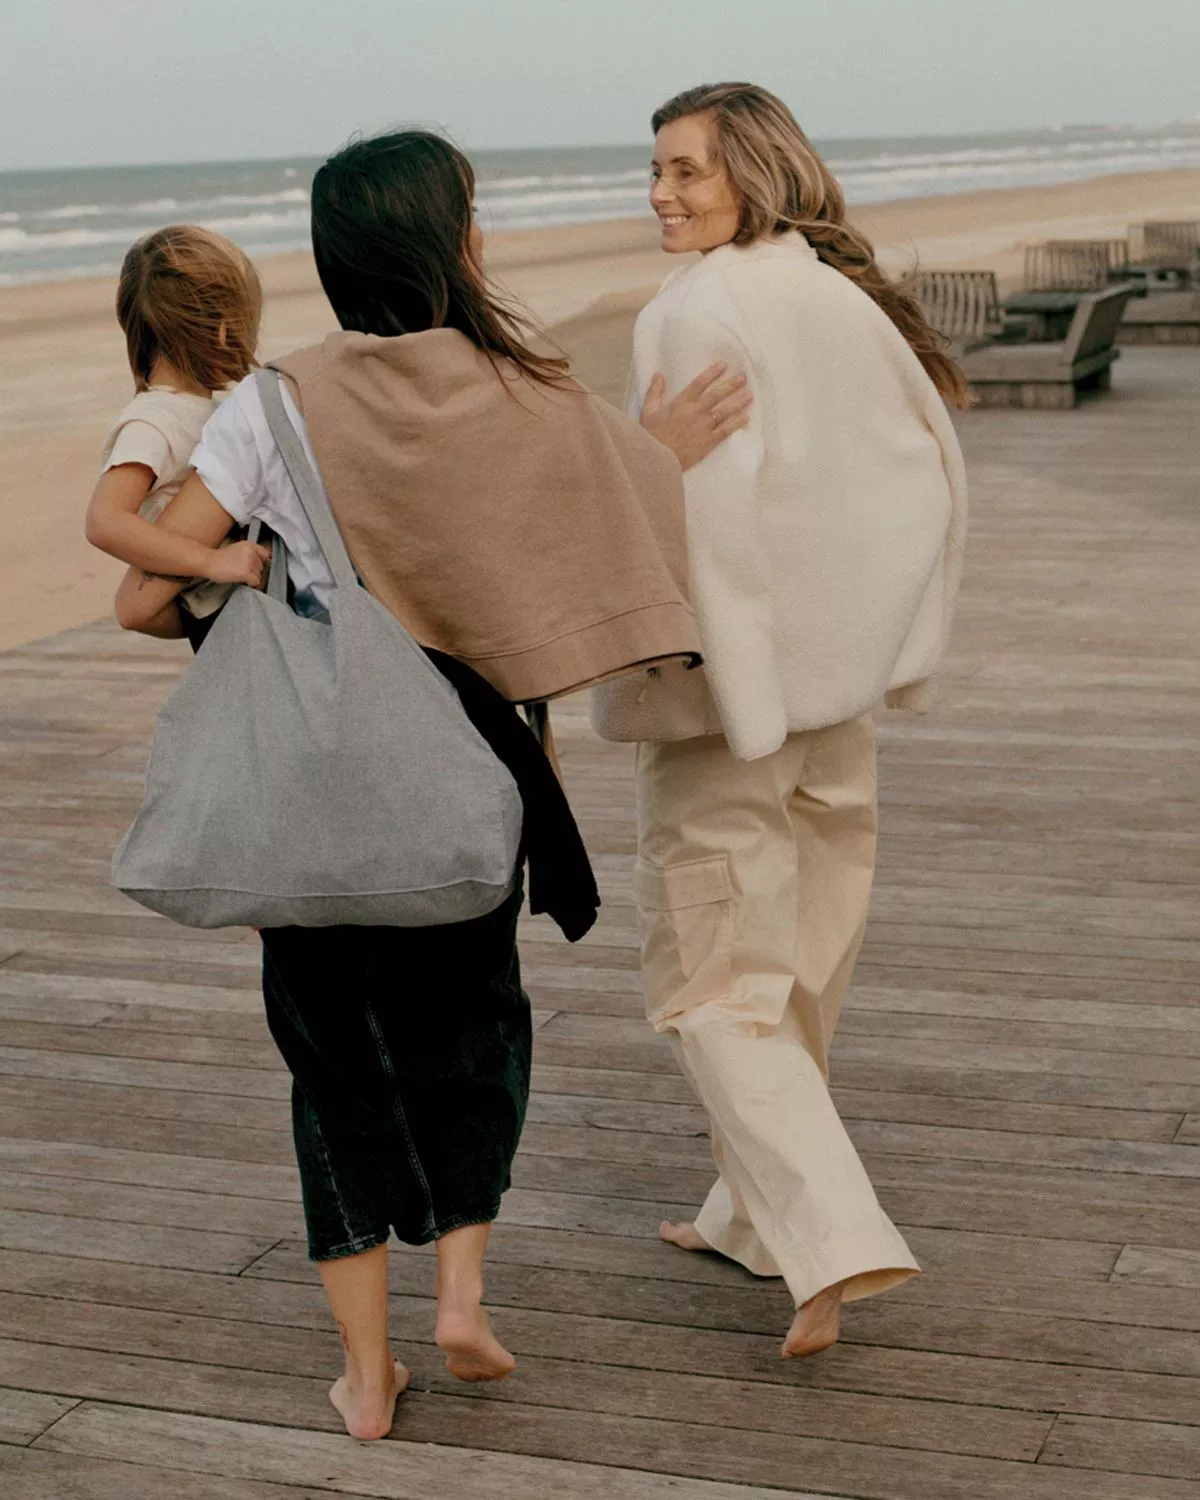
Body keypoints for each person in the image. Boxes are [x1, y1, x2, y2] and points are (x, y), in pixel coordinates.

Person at [115, 129, 751, 1439]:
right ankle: (461, 1297)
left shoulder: (271, 405)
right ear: (448, 242)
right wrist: (659, 445)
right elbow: (608, 505)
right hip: (467, 776)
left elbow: (148, 586)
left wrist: (250, 565)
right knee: (472, 1040)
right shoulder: (527, 391)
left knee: (332, 1067)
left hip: (308, 787)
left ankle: (366, 1374)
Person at [592, 82, 969, 1359]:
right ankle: (747, 1217)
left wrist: (643, 458)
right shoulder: (842, 300)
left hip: (724, 711)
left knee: (713, 987)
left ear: (752, 173)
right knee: (798, 976)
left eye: (687, 170)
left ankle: (833, 1239)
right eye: (654, 169)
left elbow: (703, 523)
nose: (661, 193)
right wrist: (876, 649)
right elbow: (929, 481)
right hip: (832, 708)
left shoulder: (692, 310)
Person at [85, 226, 271, 650]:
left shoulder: (200, 410)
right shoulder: (153, 423)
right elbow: (104, 521)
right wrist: (211, 562)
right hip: (216, 606)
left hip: (236, 601)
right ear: (221, 330)